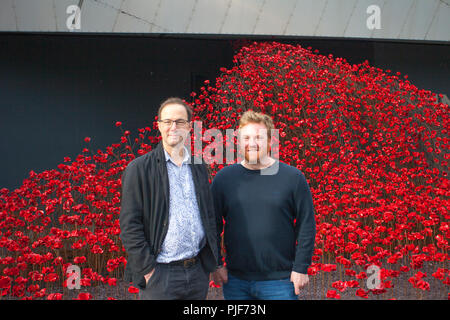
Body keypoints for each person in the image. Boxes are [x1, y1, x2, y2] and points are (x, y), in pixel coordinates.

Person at [211, 110, 316, 300]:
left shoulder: (292, 178)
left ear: (270, 141)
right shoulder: (224, 179)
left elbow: (306, 225)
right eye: (247, 138)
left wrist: (301, 268)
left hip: (280, 281)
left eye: (258, 137)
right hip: (236, 281)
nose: (252, 143)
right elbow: (213, 225)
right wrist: (217, 264)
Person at [119, 97, 218, 300]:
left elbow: (208, 216)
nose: (174, 127)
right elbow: (130, 225)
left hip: (197, 271)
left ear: (189, 127)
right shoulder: (139, 169)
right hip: (160, 275)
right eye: (167, 121)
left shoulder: (198, 166)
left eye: (180, 122)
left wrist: (212, 262)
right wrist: (147, 269)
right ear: (159, 125)